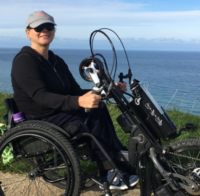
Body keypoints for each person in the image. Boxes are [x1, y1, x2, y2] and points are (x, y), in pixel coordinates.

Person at [11, 11, 138, 190]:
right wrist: (79, 102)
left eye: (49, 27)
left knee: (98, 106)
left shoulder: (56, 61)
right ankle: (107, 173)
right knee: (91, 117)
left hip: (56, 112)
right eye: (39, 27)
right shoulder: (24, 61)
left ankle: (117, 157)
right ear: (28, 32)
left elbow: (75, 91)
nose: (44, 30)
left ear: (54, 31)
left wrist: (108, 91)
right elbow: (41, 96)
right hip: (40, 118)